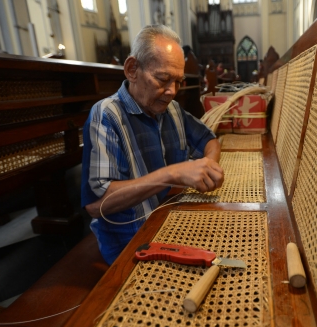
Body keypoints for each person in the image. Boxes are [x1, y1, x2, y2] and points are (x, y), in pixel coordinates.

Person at [81, 25, 224, 265]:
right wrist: (172, 174)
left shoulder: (172, 110)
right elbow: (97, 206)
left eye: (178, 81)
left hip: (170, 224)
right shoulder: (106, 116)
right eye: (163, 79)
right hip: (133, 244)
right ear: (132, 69)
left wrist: (207, 167)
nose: (172, 92)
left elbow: (209, 140)